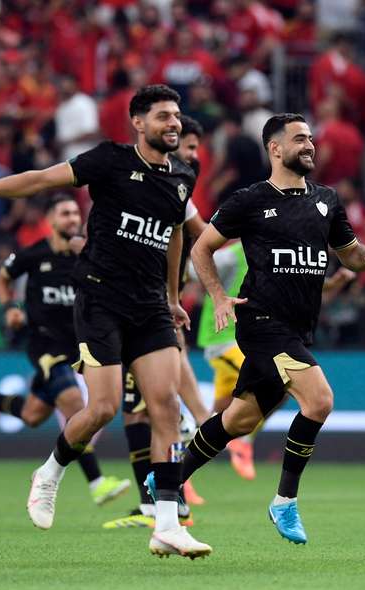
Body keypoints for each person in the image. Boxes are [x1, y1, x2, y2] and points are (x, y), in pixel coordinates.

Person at [0, 84, 211, 558]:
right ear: (138, 122)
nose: (173, 123)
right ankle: (50, 472)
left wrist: (173, 297)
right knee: (102, 409)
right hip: (100, 300)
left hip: (151, 304)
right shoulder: (109, 160)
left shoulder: (182, 177)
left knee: (167, 407)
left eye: (177, 116)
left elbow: (175, 237)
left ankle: (167, 524)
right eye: (163, 116)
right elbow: (39, 180)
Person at [187, 113, 365, 544]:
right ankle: (284, 502)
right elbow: (201, 247)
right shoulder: (249, 199)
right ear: (275, 149)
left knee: (239, 419)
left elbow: (350, 254)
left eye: (311, 139)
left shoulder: (327, 200)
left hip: (299, 329)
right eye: (299, 139)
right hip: (262, 323)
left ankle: (169, 477)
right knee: (319, 401)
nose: (310, 145)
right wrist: (218, 296)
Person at [0, 196, 131, 507]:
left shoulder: (86, 257)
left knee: (32, 414)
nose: (73, 219)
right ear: (50, 219)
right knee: (76, 406)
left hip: (78, 344)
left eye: (76, 213)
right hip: (45, 344)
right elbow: (3, 277)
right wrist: (10, 307)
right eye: (65, 213)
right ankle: (98, 483)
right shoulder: (34, 254)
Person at [106, 115, 212, 530]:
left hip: (150, 306)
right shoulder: (157, 184)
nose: (192, 154)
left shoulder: (178, 188)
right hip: (144, 300)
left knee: (148, 409)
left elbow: (204, 235)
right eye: (187, 146)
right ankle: (159, 503)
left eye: (196, 147)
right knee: (135, 412)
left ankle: (166, 500)